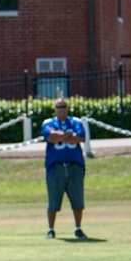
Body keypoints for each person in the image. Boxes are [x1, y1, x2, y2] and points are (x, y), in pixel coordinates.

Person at [41, 97, 87, 239]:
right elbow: (50, 137)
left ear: (67, 108)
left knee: (77, 199)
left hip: (74, 166)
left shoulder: (76, 122)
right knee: (53, 200)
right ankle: (51, 229)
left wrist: (59, 135)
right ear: (54, 109)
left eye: (64, 106)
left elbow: (80, 137)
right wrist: (68, 135)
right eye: (58, 107)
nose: (61, 109)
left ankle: (78, 228)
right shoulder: (48, 123)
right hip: (56, 167)